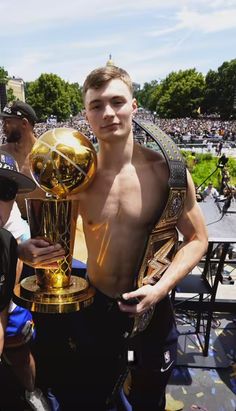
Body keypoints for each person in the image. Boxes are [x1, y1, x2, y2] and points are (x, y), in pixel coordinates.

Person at [24, 66, 208, 411]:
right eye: (97, 105)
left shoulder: (167, 173)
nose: (108, 113)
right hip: (97, 309)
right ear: (86, 115)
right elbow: (34, 227)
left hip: (154, 307)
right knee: (93, 399)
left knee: (148, 400)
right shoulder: (74, 177)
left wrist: (160, 289)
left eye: (117, 102)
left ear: (134, 107)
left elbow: (197, 238)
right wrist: (25, 250)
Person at [0, 149, 64, 411]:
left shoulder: (9, 234)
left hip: (10, 300)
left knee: (19, 351)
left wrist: (17, 251)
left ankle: (30, 390)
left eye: (5, 191)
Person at [0, 100, 46, 219]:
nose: (3, 127)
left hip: (42, 226)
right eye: (3, 122)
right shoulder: (2, 154)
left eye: (8, 122)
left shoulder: (47, 155)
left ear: (24, 123)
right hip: (9, 229)